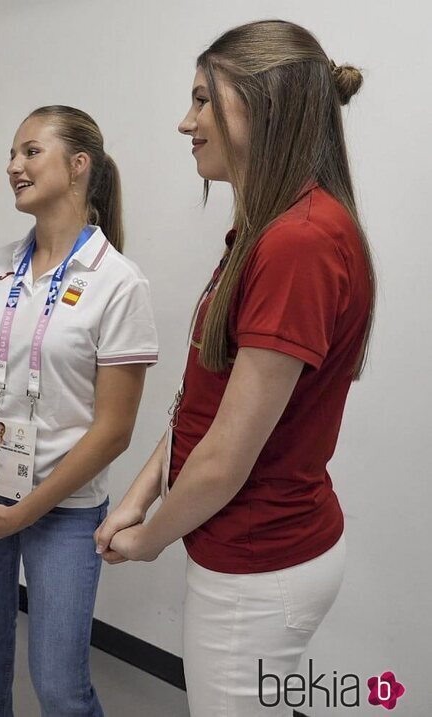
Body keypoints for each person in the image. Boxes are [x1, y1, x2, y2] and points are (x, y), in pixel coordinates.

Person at [94, 20, 375, 716]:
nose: (184, 122)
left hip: (259, 563)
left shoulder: (299, 243)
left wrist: (148, 539)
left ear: (265, 105)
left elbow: (224, 457)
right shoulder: (273, 229)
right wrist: (140, 492)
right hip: (261, 551)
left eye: (201, 101)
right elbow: (206, 402)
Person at [0, 105, 159, 716]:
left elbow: (115, 430)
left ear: (79, 165)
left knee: (59, 683)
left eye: (30, 151)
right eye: (11, 154)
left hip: (62, 507)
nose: (13, 166)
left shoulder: (119, 283)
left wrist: (25, 512)